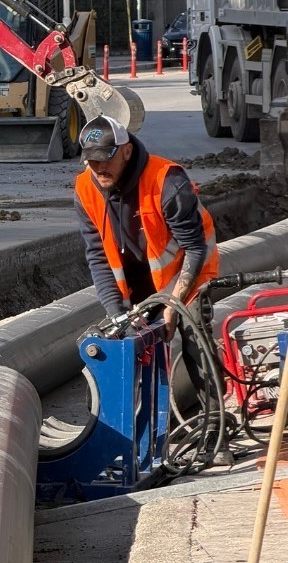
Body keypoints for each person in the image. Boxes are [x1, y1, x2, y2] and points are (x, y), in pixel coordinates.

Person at [74, 114, 219, 391]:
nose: (100, 168)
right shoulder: (84, 189)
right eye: (93, 161)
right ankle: (136, 425)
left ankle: (214, 418)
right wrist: (118, 314)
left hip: (186, 273)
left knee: (193, 331)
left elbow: (195, 247)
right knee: (119, 341)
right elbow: (98, 256)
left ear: (127, 151)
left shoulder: (167, 181)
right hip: (138, 283)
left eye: (107, 159)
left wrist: (172, 306)